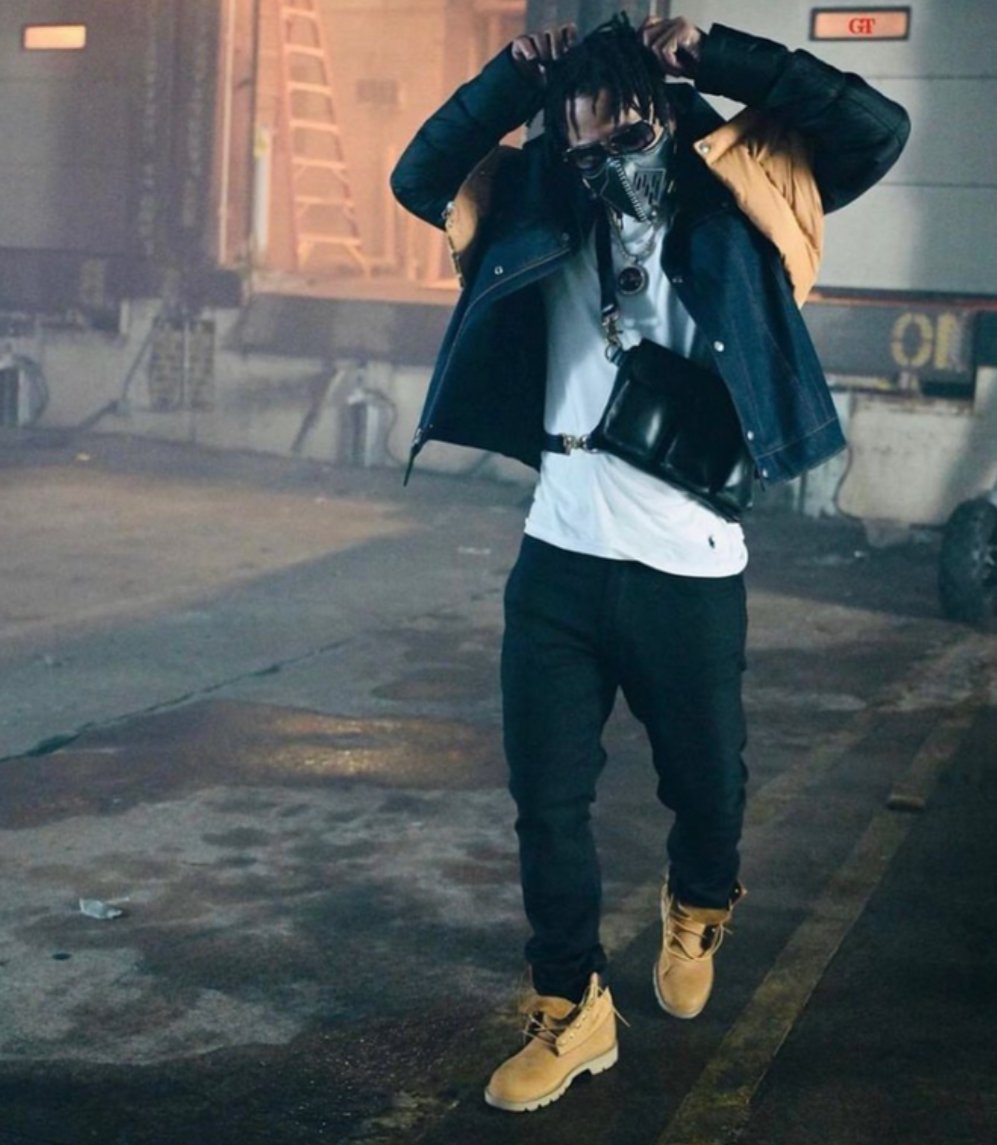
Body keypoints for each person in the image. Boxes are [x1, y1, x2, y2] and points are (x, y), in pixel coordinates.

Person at [391, 10, 909, 1114]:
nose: (602, 169)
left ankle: (701, 895)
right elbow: (418, 173)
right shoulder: (540, 197)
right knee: (546, 800)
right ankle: (571, 1008)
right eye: (580, 150)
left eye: (623, 141)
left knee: (705, 784)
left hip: (689, 559)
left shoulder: (742, 192)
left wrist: (719, 54)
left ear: (667, 121)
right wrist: (509, 76)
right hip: (559, 558)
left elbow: (876, 127)